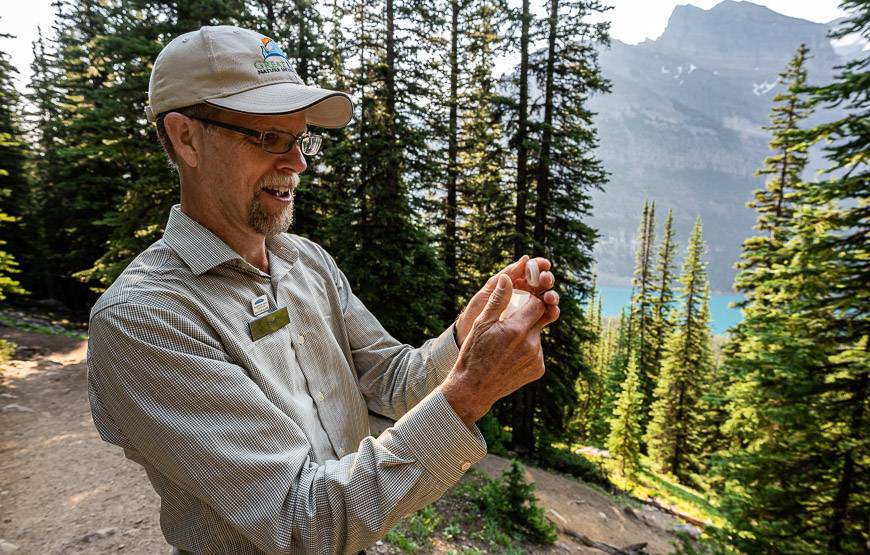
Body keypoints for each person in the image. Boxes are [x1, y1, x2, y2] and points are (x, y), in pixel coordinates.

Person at [86, 25, 560, 555]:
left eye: (300, 139)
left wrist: (465, 336)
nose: (298, 163)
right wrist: (470, 389)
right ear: (186, 138)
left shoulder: (307, 260)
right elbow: (300, 523)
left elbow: (392, 380)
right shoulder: (145, 319)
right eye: (268, 138)